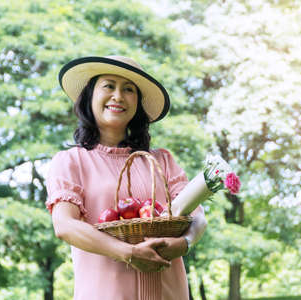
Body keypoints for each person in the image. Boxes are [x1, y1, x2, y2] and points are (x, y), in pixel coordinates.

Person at [45, 55, 207, 300]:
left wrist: (184, 243)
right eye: (109, 86)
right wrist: (129, 252)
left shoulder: (162, 161)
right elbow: (65, 225)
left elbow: (198, 219)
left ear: (138, 104)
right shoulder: (71, 162)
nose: (118, 96)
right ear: (89, 97)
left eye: (128, 89)